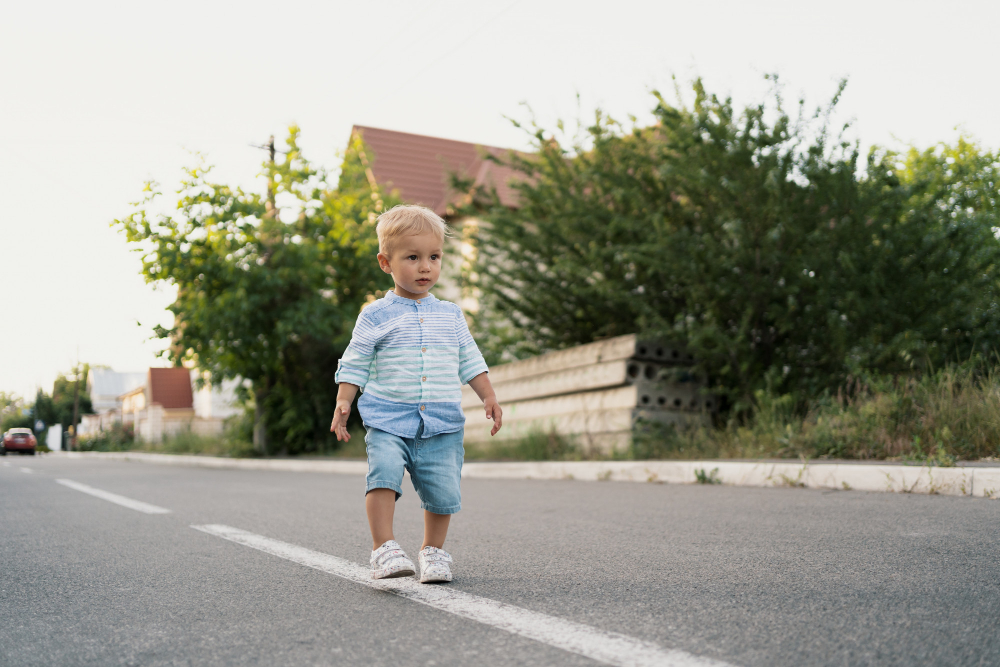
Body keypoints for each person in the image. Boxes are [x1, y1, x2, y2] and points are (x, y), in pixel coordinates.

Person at [330, 204, 502, 583]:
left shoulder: (451, 314)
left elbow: (469, 357)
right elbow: (356, 359)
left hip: (441, 420)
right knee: (384, 474)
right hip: (389, 417)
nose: (426, 267)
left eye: (434, 257)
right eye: (413, 257)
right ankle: (384, 548)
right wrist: (345, 400)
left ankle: (433, 552)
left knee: (443, 488)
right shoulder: (376, 315)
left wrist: (487, 395)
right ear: (385, 262)